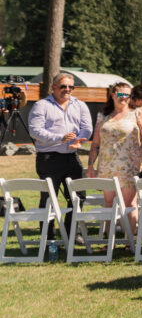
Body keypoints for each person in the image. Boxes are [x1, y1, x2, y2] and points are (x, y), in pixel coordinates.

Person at [28, 72, 93, 241]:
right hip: (48, 158)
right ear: (53, 87)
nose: (67, 89)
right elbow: (35, 130)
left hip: (71, 156)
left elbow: (87, 128)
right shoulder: (41, 105)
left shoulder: (80, 105)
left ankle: (71, 234)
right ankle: (48, 237)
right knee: (49, 198)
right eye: (63, 86)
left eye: (71, 87)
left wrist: (80, 140)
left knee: (78, 196)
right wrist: (60, 138)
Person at [86, 82, 142, 234]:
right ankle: (110, 240)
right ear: (113, 94)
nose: (124, 98)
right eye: (121, 94)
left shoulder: (138, 113)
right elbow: (95, 144)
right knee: (109, 204)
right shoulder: (104, 116)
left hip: (129, 167)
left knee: (129, 204)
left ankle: (130, 240)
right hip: (106, 167)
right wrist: (91, 166)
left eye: (127, 95)